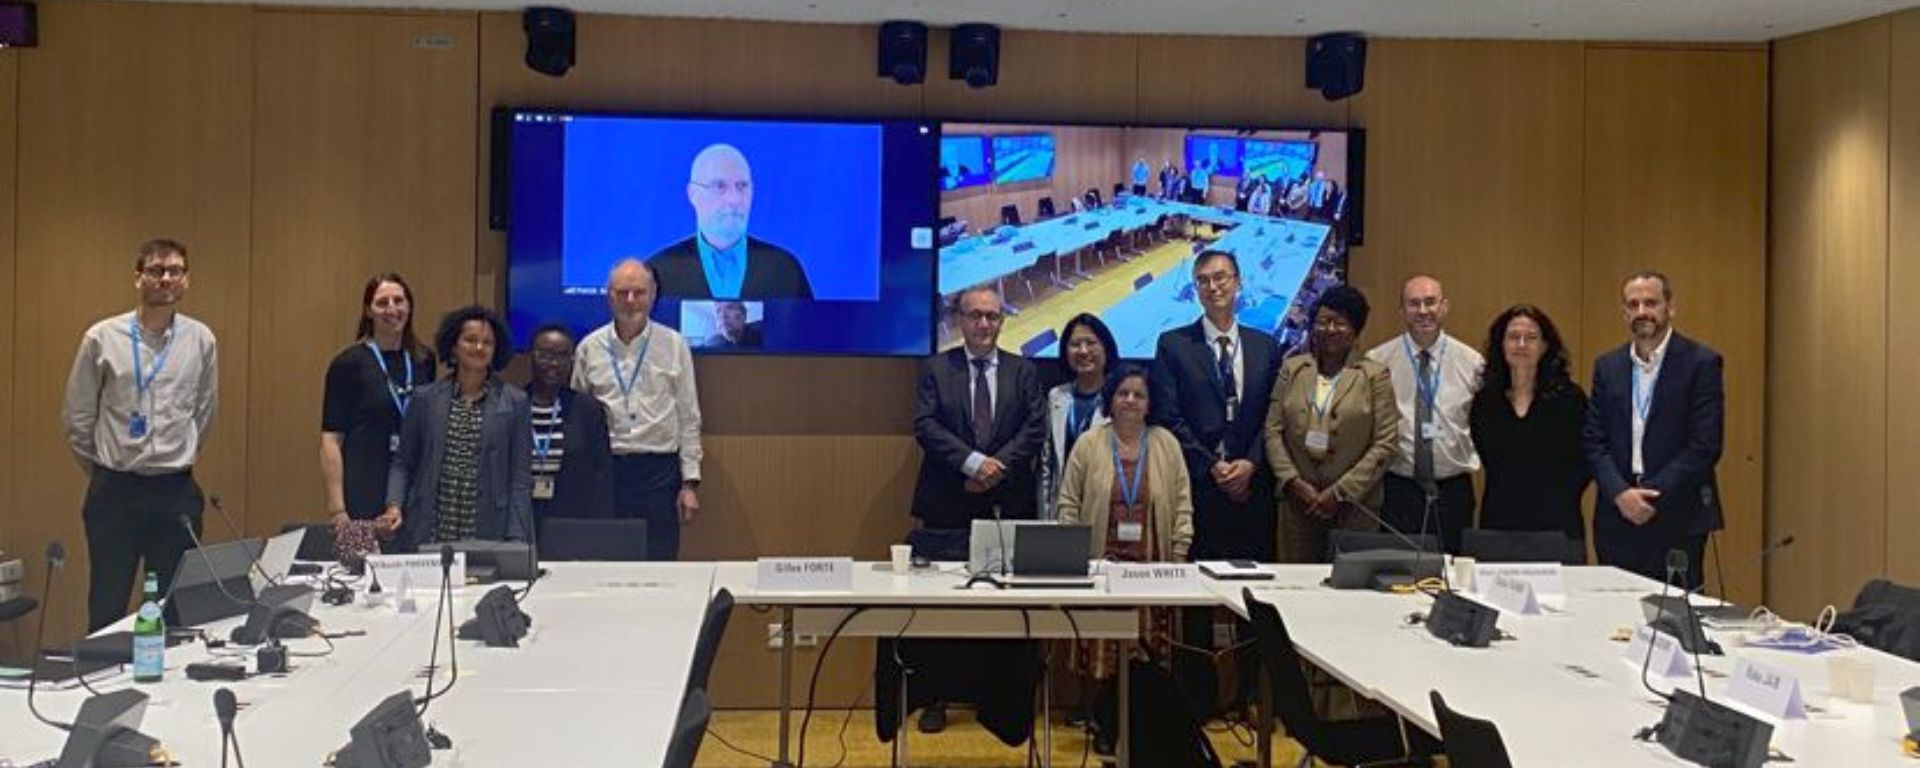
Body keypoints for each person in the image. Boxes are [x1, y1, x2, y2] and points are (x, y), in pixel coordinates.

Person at [906, 283, 1044, 733]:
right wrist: (971, 462)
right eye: (974, 316)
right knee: (940, 603)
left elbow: (1034, 427)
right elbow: (924, 425)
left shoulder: (1024, 370)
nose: (984, 324)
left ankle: (997, 696)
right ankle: (935, 696)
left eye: (992, 316)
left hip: (1006, 500)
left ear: (1002, 320)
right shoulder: (936, 368)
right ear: (958, 320)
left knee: (1003, 602)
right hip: (948, 500)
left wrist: (996, 467)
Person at [63, 238, 218, 631]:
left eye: (175, 271)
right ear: (138, 277)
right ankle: (100, 686)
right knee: (108, 602)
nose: (165, 279)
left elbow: (203, 413)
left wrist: (174, 455)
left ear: (186, 280)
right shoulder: (102, 337)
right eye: (155, 270)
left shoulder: (201, 340)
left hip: (174, 490)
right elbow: (78, 418)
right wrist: (107, 467)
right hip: (116, 490)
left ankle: (172, 690)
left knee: (173, 609)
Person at [1055, 364, 1192, 753]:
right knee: (1101, 651)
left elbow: (1183, 502)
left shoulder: (1166, 443)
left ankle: (1142, 725)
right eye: (1123, 394)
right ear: (1110, 400)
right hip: (1102, 568)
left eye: (1139, 395)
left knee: (1147, 651)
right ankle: (1103, 723)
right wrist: (1073, 555)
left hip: (1154, 569)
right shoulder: (1089, 443)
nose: (1130, 401)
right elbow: (1068, 502)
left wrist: (1179, 552)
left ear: (1150, 404)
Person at [1583, 271, 1724, 587]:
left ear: (1669, 308)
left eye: (1651, 302)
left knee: (1672, 619)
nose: (1642, 311)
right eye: (1633, 304)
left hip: (1675, 513)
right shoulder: (1607, 366)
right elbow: (1594, 440)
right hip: (1616, 514)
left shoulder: (1701, 363)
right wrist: (1621, 494)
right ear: (1624, 313)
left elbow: (1705, 445)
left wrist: (1650, 497)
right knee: (1614, 615)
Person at [1151, 250, 1282, 561]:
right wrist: (1212, 465)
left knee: (1253, 587)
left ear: (1238, 282)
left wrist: (1250, 463)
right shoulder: (1173, 345)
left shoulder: (1265, 346)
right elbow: (1168, 415)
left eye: (1220, 277)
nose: (1213, 286)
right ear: (1195, 290)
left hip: (1253, 487)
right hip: (1198, 485)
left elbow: (1274, 416)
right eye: (1203, 280)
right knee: (1198, 589)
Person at [573, 259, 704, 560]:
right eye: (622, 293)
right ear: (609, 296)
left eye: (638, 292)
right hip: (606, 471)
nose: (630, 301)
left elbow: (688, 416)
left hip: (658, 472)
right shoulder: (588, 348)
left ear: (653, 294)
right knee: (606, 560)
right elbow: (579, 420)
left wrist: (690, 484)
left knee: (659, 561)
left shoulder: (674, 345)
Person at [1265, 285, 1398, 563]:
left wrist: (1339, 492)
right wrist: (1294, 482)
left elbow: (1385, 443)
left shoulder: (1375, 375)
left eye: (1340, 322)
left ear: (1356, 329)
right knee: (1296, 590)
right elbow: (1273, 431)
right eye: (1323, 321)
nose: (1330, 329)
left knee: (1350, 593)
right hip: (1297, 503)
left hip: (1356, 506)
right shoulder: (1293, 369)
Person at [384, 306, 532, 551]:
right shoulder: (425, 398)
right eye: (470, 340)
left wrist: (517, 538)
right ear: (453, 346)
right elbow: (403, 462)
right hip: (431, 526)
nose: (478, 348)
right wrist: (394, 504)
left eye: (487, 342)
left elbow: (520, 478)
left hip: (488, 528)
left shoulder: (514, 402)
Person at [1365, 275, 1484, 553]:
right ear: (1402, 311)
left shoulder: (1472, 363)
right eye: (1414, 304)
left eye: (1430, 302)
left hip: (1453, 490)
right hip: (1399, 488)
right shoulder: (1378, 361)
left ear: (1444, 306)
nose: (1422, 311)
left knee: (1452, 574)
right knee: (1398, 575)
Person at [321, 273, 436, 544]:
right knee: (364, 578)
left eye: (399, 301)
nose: (392, 309)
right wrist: (337, 509)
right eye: (382, 303)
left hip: (412, 490)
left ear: (410, 307)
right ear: (368, 311)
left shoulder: (424, 361)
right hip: (363, 489)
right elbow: (330, 440)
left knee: (414, 577)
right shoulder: (347, 364)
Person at [1471, 306, 1590, 543]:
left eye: (1531, 337)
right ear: (1501, 344)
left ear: (1545, 346)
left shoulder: (1570, 398)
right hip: (1499, 522)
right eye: (1513, 337)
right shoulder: (1486, 401)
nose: (1522, 344)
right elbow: (1487, 458)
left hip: (1557, 524)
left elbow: (1585, 461)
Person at [646, 143, 813, 300]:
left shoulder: (784, 269)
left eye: (742, 186)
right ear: (693, 194)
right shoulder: (659, 272)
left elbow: (810, 330)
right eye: (719, 186)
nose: (734, 199)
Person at [526, 323, 615, 521]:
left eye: (562, 355)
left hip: (572, 516)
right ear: (530, 356)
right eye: (545, 354)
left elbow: (601, 474)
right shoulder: (513, 405)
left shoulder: (588, 409)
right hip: (521, 516)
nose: (553, 363)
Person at [1038, 314, 1116, 520]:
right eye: (1075, 344)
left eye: (1091, 343)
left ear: (1106, 348)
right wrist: (1044, 516)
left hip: (1105, 507)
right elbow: (1047, 464)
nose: (1083, 351)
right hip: (1062, 507)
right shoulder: (1056, 397)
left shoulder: (1121, 397)